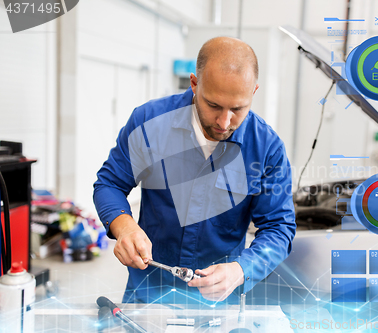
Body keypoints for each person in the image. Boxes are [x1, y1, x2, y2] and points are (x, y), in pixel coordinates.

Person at [93, 37, 296, 304]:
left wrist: (241, 270)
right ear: (194, 83)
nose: (224, 122)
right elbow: (110, 183)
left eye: (237, 109)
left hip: (219, 302)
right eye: (213, 105)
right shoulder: (149, 122)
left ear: (254, 92)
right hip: (148, 292)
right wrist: (124, 227)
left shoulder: (267, 148)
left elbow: (279, 227)